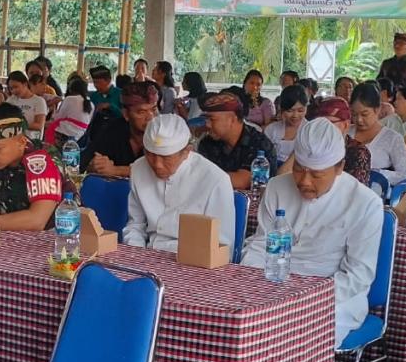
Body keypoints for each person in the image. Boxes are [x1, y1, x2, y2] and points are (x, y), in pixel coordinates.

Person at [241, 119, 383, 344]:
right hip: (272, 287)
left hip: (333, 298)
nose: (305, 181)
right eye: (299, 169)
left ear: (339, 167)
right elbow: (260, 245)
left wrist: (303, 296)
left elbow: (358, 276)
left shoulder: (365, 203)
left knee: (293, 332)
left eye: (316, 175)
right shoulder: (277, 187)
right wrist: (253, 282)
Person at [124, 115, 235, 252]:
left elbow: (221, 245)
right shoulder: (138, 169)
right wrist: (134, 254)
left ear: (187, 151)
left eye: (166, 158)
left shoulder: (214, 180)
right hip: (148, 253)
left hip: (192, 257)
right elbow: (135, 225)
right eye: (150, 154)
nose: (157, 164)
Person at [198, 90, 278, 189]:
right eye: (206, 119)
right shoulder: (207, 143)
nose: (207, 124)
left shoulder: (259, 143)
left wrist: (202, 177)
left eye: (212, 119)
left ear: (232, 119)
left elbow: (241, 182)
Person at [82, 79, 160, 177]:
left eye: (154, 109)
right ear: (126, 114)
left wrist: (116, 170)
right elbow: (84, 163)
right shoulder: (112, 130)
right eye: (142, 112)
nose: (150, 117)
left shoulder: (165, 132)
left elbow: (163, 170)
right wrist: (94, 166)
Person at [349, 82, 406, 184]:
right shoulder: (345, 133)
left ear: (377, 110)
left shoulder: (393, 139)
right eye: (354, 114)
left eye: (364, 114)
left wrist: (378, 173)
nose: (359, 119)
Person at [305, 97, 371, 185]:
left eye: (329, 123)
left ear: (346, 125)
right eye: (319, 124)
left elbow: (353, 189)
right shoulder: (311, 146)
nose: (323, 128)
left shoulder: (358, 152)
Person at [265, 84, 308, 167]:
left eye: (300, 110)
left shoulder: (311, 132)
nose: (295, 115)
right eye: (290, 111)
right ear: (282, 109)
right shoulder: (271, 129)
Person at [47, 76, 93, 145]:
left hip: (65, 132)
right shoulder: (91, 104)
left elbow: (58, 117)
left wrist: (51, 111)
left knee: (45, 126)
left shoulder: (69, 99)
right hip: (79, 136)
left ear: (70, 89)